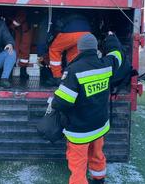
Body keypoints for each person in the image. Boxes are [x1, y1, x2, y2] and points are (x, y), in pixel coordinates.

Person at [51, 32, 123, 184]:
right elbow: (117, 54)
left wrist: (53, 102)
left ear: (79, 49)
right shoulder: (106, 64)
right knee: (97, 154)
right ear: (95, 48)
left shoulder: (74, 70)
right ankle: (99, 179)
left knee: (78, 163)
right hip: (99, 126)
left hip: (80, 130)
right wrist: (111, 37)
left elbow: (62, 102)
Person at [48, 13, 91, 86]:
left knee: (54, 50)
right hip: (87, 32)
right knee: (74, 55)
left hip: (70, 32)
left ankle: (57, 77)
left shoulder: (60, 16)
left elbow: (55, 29)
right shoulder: (80, 16)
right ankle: (74, 77)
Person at [10, 10, 32, 79]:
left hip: (24, 29)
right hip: (18, 30)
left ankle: (23, 71)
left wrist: (12, 26)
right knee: (14, 50)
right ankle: (11, 70)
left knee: (24, 49)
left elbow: (16, 22)